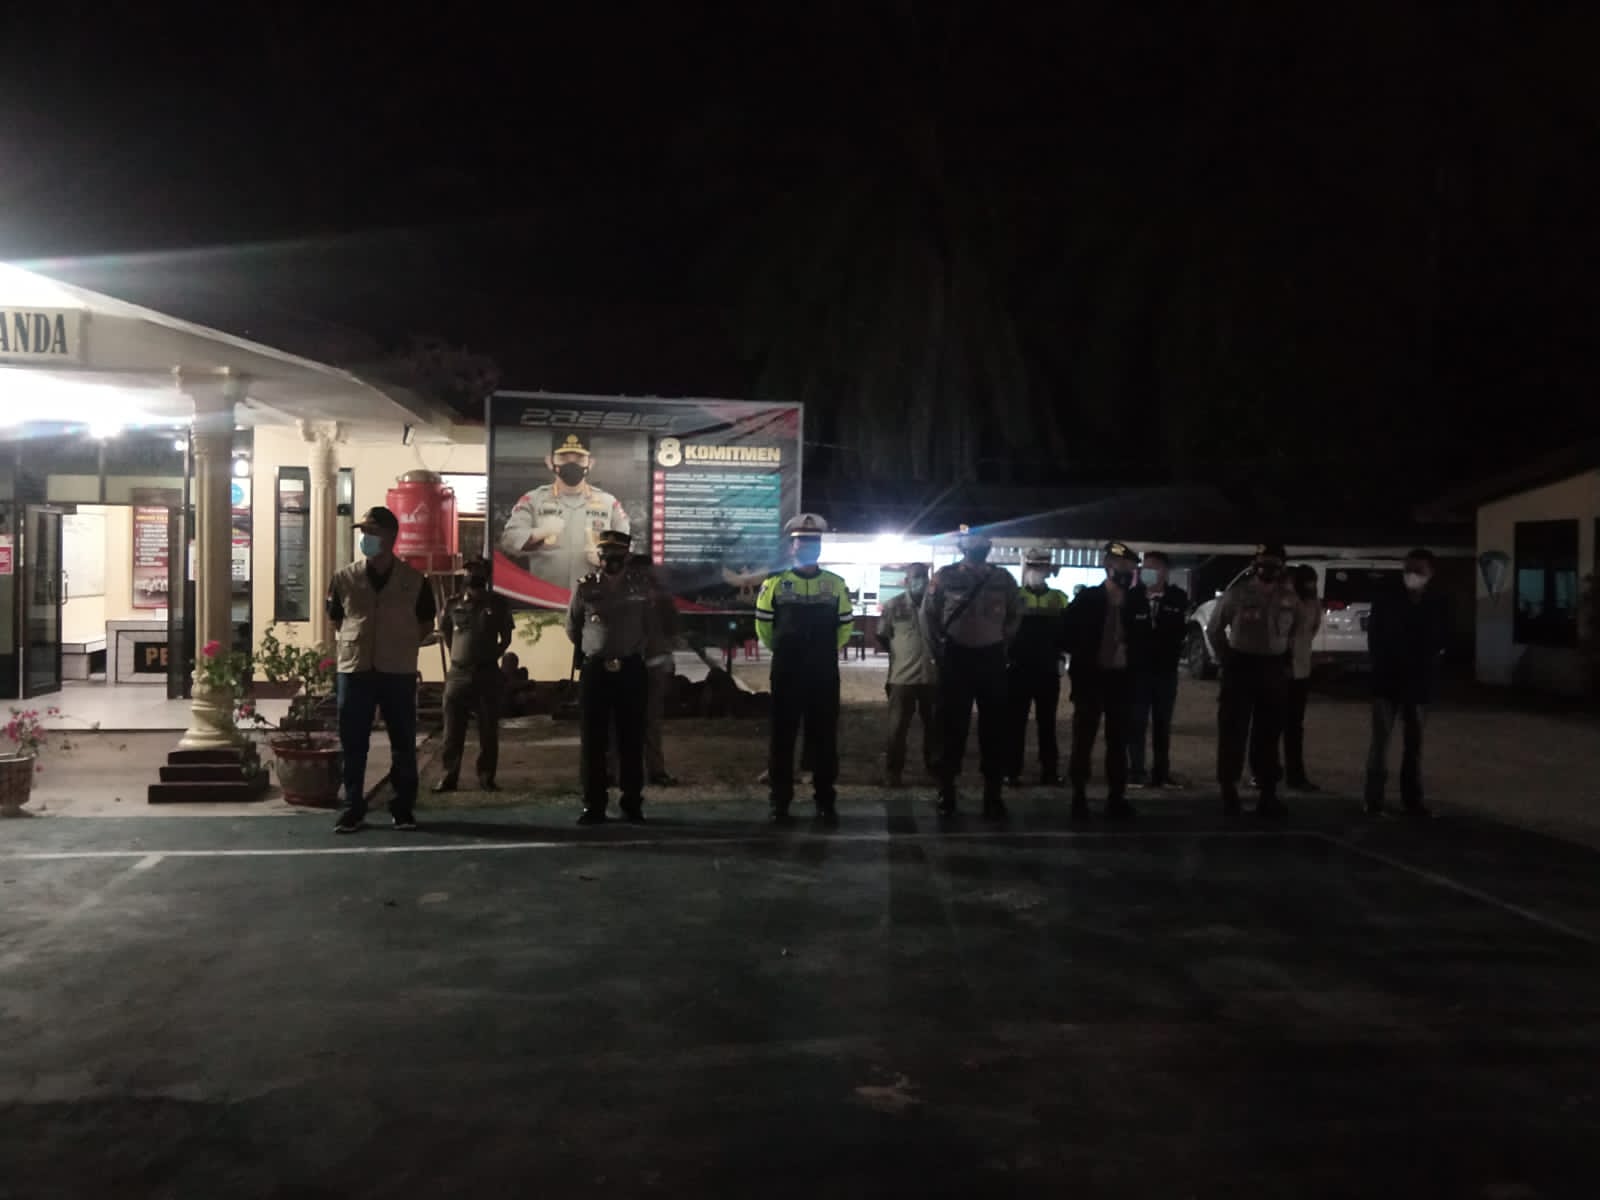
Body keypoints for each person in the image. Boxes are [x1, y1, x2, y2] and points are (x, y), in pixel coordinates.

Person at [329, 506, 436, 834]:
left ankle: (402, 808)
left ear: (391, 536)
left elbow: (425, 624)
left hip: (397, 670)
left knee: (403, 741)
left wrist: (397, 644)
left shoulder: (414, 581)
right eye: (364, 533)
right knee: (353, 742)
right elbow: (336, 619)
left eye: (372, 532)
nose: (366, 538)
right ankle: (353, 808)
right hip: (355, 669)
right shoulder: (344, 578)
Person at [755, 513, 852, 826]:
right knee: (782, 737)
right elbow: (764, 627)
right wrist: (787, 652)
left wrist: (823, 653)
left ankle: (825, 799)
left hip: (823, 672)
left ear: (819, 547)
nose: (808, 547)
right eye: (802, 542)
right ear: (791, 547)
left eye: (813, 542)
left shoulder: (836, 584)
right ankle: (779, 800)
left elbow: (845, 628)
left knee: (824, 737)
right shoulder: (774, 583)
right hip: (788, 671)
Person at [921, 525, 1021, 819]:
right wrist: (939, 652)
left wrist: (1002, 645)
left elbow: (1015, 615)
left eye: (983, 540)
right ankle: (946, 790)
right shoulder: (945, 576)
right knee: (950, 727)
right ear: (963, 545)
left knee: (995, 728)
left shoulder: (1003, 578)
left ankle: (993, 793)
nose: (978, 544)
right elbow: (928, 617)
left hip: (991, 658)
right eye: (973, 540)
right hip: (956, 658)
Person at [567, 530, 660, 825]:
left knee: (631, 738)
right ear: (599, 556)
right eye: (606, 554)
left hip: (630, 670)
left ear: (627, 555)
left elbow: (650, 627)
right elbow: (573, 627)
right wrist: (595, 648)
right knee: (593, 741)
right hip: (596, 670)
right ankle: (593, 805)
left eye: (617, 554)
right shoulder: (585, 587)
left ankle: (631, 803)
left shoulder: (641, 587)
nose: (611, 559)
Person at [1206, 543, 1301, 818]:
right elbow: (1214, 629)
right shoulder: (1237, 594)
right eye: (1263, 562)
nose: (1268, 568)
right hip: (1240, 667)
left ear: (1282, 567)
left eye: (1274, 563)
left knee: (1269, 734)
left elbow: (1296, 631)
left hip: (1273, 669)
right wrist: (1227, 659)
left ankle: (1267, 793)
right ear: (1255, 564)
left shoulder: (1289, 598)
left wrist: (1286, 661)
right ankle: (1229, 792)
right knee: (1233, 731)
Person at [1064, 541, 1148, 820]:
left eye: (1130, 567)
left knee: (1118, 741)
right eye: (1121, 566)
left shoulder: (1136, 601)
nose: (1127, 572)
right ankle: (1078, 796)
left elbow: (1144, 641)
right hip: (1091, 679)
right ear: (1108, 567)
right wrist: (1083, 658)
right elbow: (1065, 635)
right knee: (1083, 739)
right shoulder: (1088, 599)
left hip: (1122, 681)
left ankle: (1116, 797)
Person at [1364, 548, 1448, 817]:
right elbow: (1375, 636)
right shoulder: (1388, 598)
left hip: (1419, 683)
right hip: (1387, 680)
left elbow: (1442, 638)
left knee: (1414, 746)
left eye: (1418, 570)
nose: (1412, 575)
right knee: (1380, 743)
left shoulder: (1437, 602)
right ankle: (1373, 800)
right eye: (1408, 569)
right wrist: (1382, 663)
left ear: (1430, 573)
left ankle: (1412, 800)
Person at [500, 432, 630, 594]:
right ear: (550, 461)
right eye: (563, 458)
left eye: (579, 459)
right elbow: (508, 540)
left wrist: (606, 559)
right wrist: (538, 534)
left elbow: (626, 549)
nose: (572, 465)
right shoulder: (533, 500)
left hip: (594, 597)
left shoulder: (608, 503)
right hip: (545, 596)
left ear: (590, 463)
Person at [433, 557, 515, 793]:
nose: (472, 575)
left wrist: (490, 656)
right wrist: (459, 656)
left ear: (486, 575)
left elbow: (506, 638)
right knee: (452, 730)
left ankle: (486, 777)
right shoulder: (453, 603)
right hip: (458, 674)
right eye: (469, 571)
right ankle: (448, 777)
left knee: (488, 729)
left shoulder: (498, 604)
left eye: (477, 571)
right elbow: (446, 633)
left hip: (486, 673)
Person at [609, 554, 679, 786]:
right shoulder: (654, 594)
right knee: (644, 721)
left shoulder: (623, 592)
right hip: (640, 663)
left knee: (629, 720)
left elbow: (671, 628)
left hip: (639, 663)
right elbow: (672, 630)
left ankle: (620, 771)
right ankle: (649, 771)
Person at [1005, 547, 1068, 786]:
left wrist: (1061, 657)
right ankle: (1011, 771)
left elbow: (1065, 634)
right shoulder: (1014, 597)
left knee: (1047, 724)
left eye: (1040, 567)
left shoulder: (1059, 598)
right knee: (1015, 723)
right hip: (1018, 669)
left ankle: (1049, 772)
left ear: (1049, 569)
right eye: (1032, 566)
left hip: (1047, 670)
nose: (1036, 571)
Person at [1127, 550, 1189, 788]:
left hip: (1166, 672)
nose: (1148, 572)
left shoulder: (1177, 598)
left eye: (1153, 568)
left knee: (1162, 725)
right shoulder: (1132, 597)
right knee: (1136, 723)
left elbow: (1180, 632)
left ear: (1165, 571)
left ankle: (1161, 773)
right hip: (1138, 672)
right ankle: (1136, 771)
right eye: (1145, 568)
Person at [876, 563, 939, 788]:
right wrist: (903, 655)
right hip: (902, 678)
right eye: (916, 576)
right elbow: (882, 635)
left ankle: (935, 770)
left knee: (935, 728)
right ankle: (893, 773)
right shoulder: (893, 606)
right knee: (897, 729)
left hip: (932, 678)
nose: (920, 580)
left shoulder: (937, 606)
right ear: (906, 580)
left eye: (924, 576)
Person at [1283, 563, 1324, 792]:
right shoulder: (1286, 600)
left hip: (1300, 672)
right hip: (1282, 670)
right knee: (1272, 725)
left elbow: (1311, 630)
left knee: (1294, 727)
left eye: (1312, 582)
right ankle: (1263, 773)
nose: (1310, 586)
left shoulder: (1313, 603)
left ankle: (1295, 775)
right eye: (1307, 581)